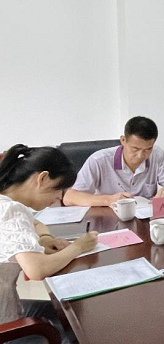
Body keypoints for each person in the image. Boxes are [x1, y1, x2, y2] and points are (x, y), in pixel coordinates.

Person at [1, 145, 98, 343]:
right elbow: (36, 270)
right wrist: (78, 247)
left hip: (7, 308)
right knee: (79, 328)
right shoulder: (11, 211)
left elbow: (35, 223)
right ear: (42, 178)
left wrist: (45, 239)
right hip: (5, 328)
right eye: (58, 188)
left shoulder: (7, 202)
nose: (59, 197)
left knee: (69, 314)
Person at [63, 117, 164, 206]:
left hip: (145, 218)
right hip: (109, 218)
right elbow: (69, 197)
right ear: (123, 140)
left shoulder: (156, 154)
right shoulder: (99, 160)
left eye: (147, 149)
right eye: (135, 149)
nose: (140, 155)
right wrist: (109, 199)